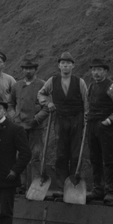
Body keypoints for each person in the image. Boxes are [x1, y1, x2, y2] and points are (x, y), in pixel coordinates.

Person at [37, 52, 89, 186]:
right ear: (59, 66)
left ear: (73, 66)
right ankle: (62, 182)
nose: (65, 66)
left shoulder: (80, 82)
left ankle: (74, 181)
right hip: (60, 119)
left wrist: (86, 117)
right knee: (61, 152)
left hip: (76, 119)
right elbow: (41, 94)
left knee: (76, 152)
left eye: (68, 64)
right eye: (63, 64)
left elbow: (86, 101)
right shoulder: (52, 81)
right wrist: (48, 103)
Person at [85, 59, 113, 205]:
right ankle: (98, 189)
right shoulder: (91, 86)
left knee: (108, 160)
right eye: (93, 70)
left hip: (106, 128)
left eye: (99, 70)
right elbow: (90, 105)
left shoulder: (112, 87)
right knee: (95, 159)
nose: (96, 73)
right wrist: (88, 115)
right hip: (92, 126)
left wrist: (109, 120)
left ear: (105, 71)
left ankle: (110, 192)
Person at [13, 59, 48, 192]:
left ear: (35, 70)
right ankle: (21, 184)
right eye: (26, 68)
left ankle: (36, 184)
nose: (28, 71)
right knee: (21, 155)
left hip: (36, 127)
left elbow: (47, 107)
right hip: (20, 126)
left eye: (31, 68)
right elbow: (10, 104)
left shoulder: (42, 85)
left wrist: (37, 119)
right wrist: (14, 116)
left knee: (36, 155)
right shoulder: (17, 86)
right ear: (22, 70)